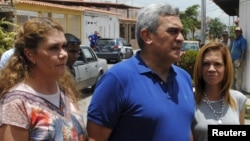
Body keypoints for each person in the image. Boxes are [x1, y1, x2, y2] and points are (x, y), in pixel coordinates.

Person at [87, 3, 195, 141]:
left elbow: (186, 130)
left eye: (181, 32)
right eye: (173, 31)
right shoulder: (117, 79)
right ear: (147, 36)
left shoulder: (184, 78)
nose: (181, 38)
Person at [0, 17, 87, 140]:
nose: (64, 54)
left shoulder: (65, 90)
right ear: (30, 54)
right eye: (53, 48)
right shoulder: (16, 104)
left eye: (64, 46)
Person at [192, 42, 247, 141]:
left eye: (217, 64)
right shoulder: (190, 101)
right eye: (206, 64)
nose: (211, 69)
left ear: (226, 68)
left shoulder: (239, 99)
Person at [231, 26, 247, 91]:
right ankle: (233, 90)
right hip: (233, 60)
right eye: (236, 31)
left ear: (241, 32)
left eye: (238, 31)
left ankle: (238, 91)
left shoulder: (242, 40)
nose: (236, 32)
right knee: (233, 75)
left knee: (238, 76)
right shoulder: (235, 40)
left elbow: (244, 51)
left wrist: (241, 61)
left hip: (238, 60)